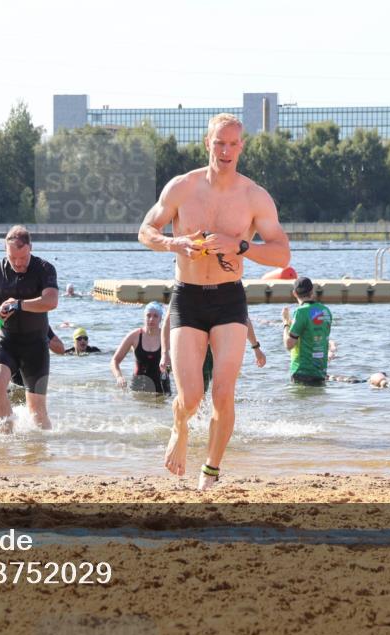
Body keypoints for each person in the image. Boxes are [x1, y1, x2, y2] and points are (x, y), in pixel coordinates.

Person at [139, 112, 290, 490]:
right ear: (207, 143)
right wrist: (175, 243)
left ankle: (210, 470)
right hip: (187, 298)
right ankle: (179, 429)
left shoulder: (254, 196)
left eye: (232, 144)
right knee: (190, 397)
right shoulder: (182, 187)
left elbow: (282, 253)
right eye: (219, 143)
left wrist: (242, 246)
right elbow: (146, 230)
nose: (225, 150)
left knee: (223, 391)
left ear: (241, 147)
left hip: (229, 299)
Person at [0, 226, 59, 431]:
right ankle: (5, 439)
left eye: (22, 257)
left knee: (38, 417)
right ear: (5, 250)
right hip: (6, 341)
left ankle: (39, 456)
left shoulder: (44, 268)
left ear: (30, 248)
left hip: (36, 346)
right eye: (12, 257)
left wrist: (19, 304)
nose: (18, 263)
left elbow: (51, 301)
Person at [160, 312, 265, 393]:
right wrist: (165, 353)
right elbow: (169, 319)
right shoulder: (188, 287)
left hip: (220, 348)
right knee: (195, 395)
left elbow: (243, 318)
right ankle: (193, 420)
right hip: (196, 348)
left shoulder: (227, 289)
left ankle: (216, 420)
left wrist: (256, 348)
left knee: (224, 392)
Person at [282, 277, 333, 386]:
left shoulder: (300, 312)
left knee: (301, 402)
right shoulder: (326, 311)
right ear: (312, 291)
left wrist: (286, 323)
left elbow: (289, 344)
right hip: (320, 372)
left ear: (294, 293)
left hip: (301, 371)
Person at [112, 302, 170, 395]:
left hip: (162, 389)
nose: (151, 319)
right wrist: (119, 377)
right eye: (148, 315)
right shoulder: (134, 336)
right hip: (138, 389)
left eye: (155, 316)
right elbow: (115, 361)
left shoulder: (167, 337)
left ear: (160, 319)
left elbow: (180, 362)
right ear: (144, 317)